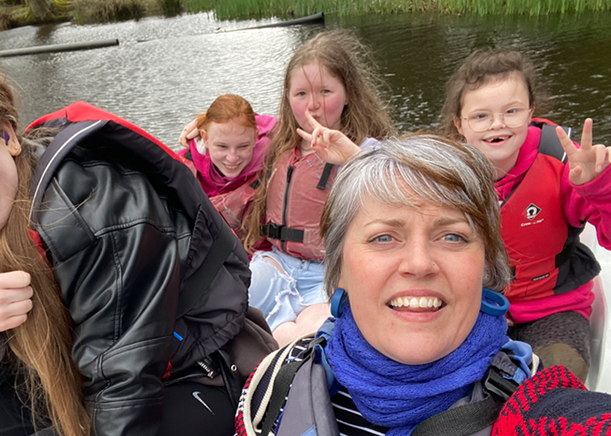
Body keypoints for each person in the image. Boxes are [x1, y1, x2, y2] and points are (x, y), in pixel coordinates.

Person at [0, 21, 276, 436]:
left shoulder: (101, 208)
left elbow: (124, 390)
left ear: (5, 134)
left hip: (197, 372)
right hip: (87, 373)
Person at [236, 134, 611, 436]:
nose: (419, 264)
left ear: (485, 268)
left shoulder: (535, 401)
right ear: (339, 273)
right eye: (384, 238)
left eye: (452, 237)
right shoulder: (271, 386)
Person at [440, 49, 611, 382]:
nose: (498, 124)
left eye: (512, 110)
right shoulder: (446, 176)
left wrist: (598, 187)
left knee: (558, 381)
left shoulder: (563, 166)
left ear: (530, 111)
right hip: (478, 310)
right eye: (481, 116)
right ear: (459, 124)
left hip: (553, 309)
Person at [240, 30, 394, 345]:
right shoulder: (277, 143)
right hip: (277, 265)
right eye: (301, 95)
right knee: (230, 306)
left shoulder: (369, 149)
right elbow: (225, 142)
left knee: (306, 336)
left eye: (325, 91)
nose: (313, 106)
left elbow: (399, 189)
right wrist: (199, 132)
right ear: (288, 98)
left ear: (348, 93)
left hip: (329, 276)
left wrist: (351, 156)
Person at [178, 94, 276, 239]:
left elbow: (295, 128)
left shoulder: (277, 154)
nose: (232, 158)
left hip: (262, 255)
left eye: (243, 146)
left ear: (255, 137)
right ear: (205, 138)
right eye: (222, 146)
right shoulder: (183, 166)